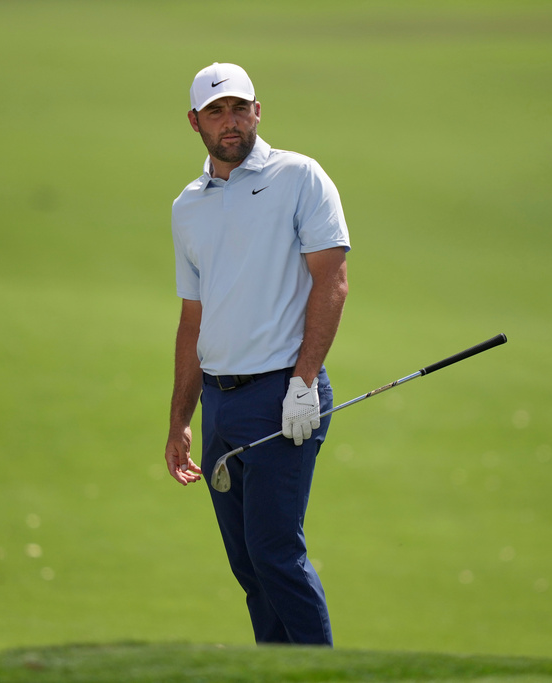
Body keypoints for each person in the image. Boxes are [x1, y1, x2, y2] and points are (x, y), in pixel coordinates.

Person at [163, 62, 350, 647]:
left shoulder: (300, 176)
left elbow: (332, 281)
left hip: (283, 398)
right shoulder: (187, 207)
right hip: (220, 405)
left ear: (257, 111)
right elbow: (193, 318)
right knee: (249, 566)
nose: (230, 123)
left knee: (275, 552)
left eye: (240, 109)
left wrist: (304, 382)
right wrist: (180, 422)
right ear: (194, 121)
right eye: (216, 112)